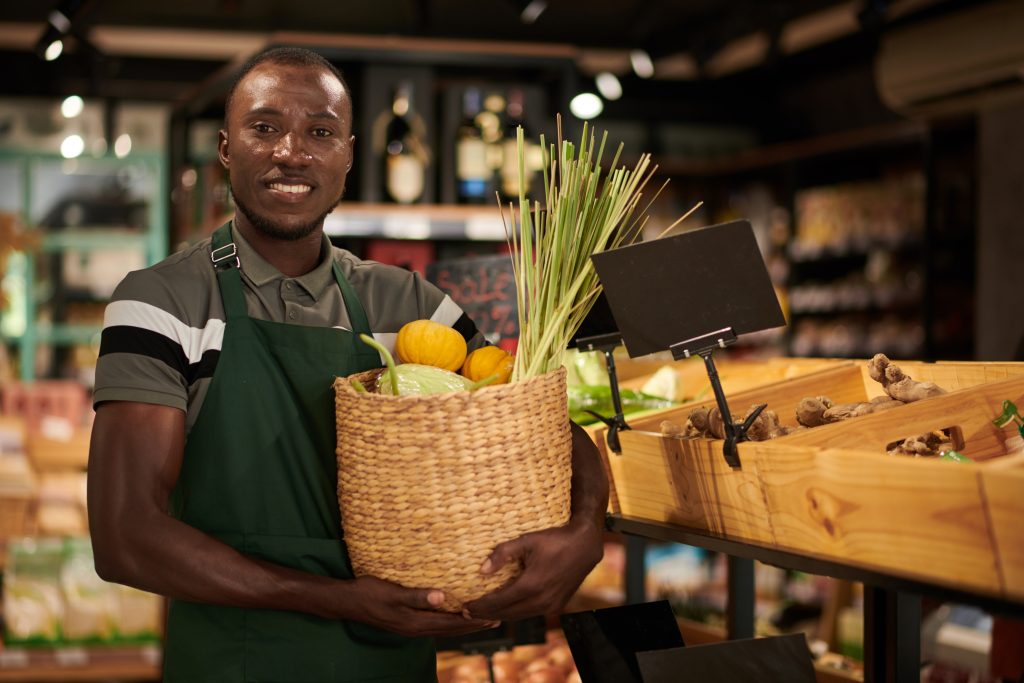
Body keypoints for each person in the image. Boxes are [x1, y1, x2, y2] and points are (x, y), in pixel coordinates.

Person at [87, 46, 608, 682]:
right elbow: (124, 536)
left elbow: (536, 425)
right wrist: (333, 599)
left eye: (321, 132)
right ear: (226, 147)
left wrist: (585, 531)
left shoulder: (411, 304)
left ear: (349, 155)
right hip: (235, 661)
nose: (292, 152)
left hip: (393, 663)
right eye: (265, 127)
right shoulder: (162, 301)